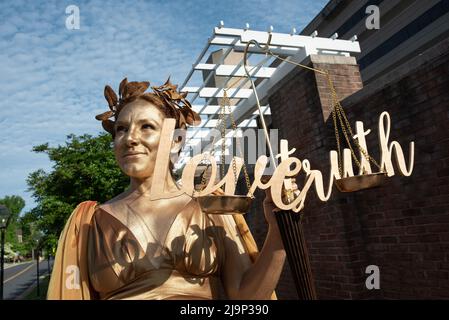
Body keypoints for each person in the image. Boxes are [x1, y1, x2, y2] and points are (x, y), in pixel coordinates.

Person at [47, 78, 288, 300]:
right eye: (121, 129)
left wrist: (279, 232)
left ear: (176, 140)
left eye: (146, 127)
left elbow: (246, 299)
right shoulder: (89, 221)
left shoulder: (211, 207)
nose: (129, 138)